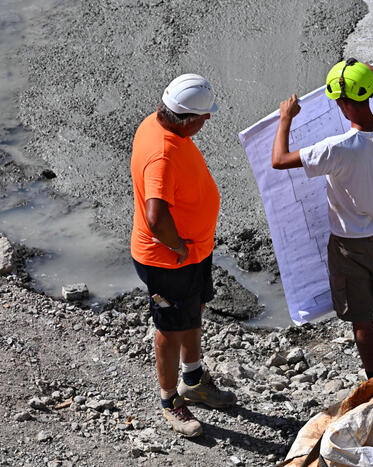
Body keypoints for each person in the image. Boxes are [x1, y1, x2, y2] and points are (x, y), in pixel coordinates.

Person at [271, 59, 373, 379]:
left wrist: (285, 118)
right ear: (368, 92)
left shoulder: (337, 149)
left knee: (362, 319)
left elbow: (278, 160)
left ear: (342, 104)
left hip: (348, 248)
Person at [130, 73, 235, 437]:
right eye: (204, 117)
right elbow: (156, 217)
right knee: (169, 328)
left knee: (193, 312)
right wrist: (177, 246)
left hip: (192, 254)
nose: (207, 122)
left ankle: (193, 379)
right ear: (187, 118)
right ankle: (170, 400)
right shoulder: (161, 154)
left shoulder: (157, 123)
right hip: (167, 260)